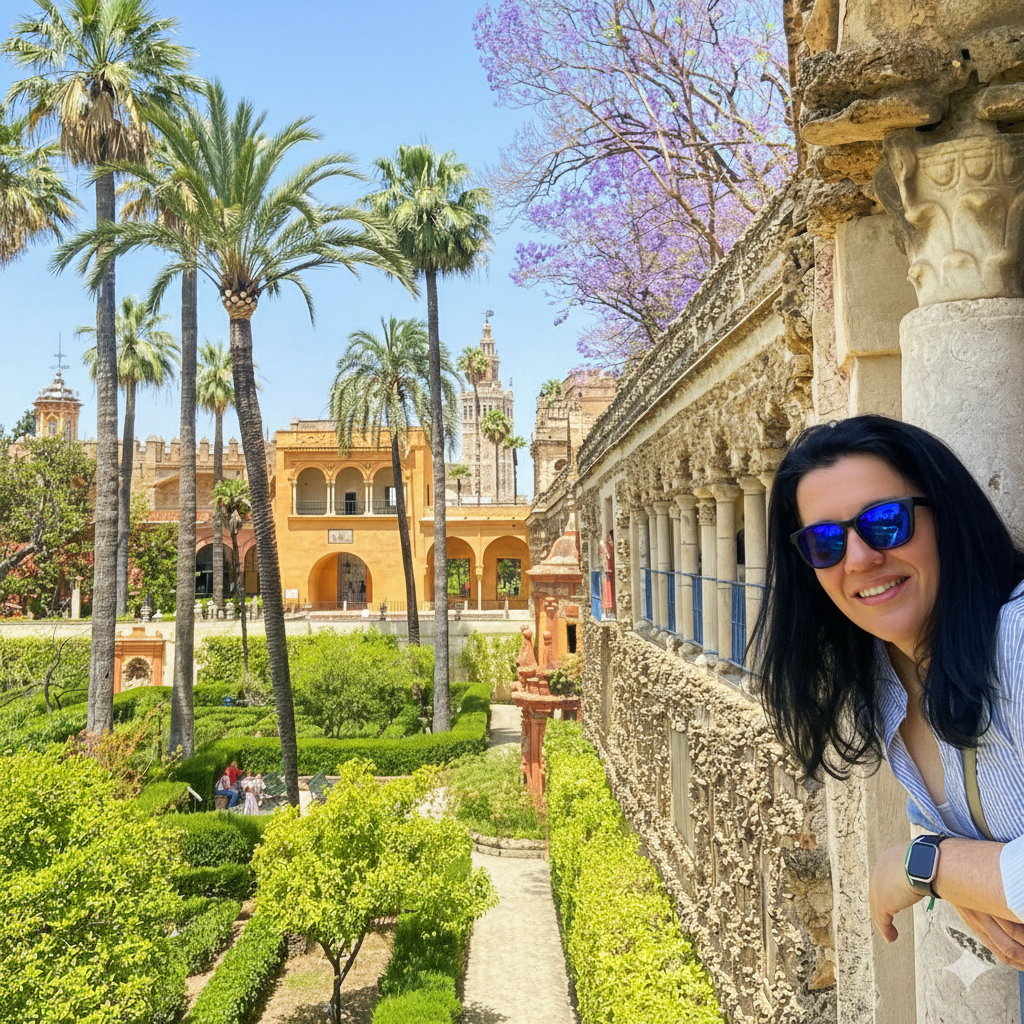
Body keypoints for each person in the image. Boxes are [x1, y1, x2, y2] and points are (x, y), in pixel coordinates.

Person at [753, 414, 1024, 975]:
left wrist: (921, 866)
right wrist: (969, 872)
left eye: (885, 522)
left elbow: (940, 859)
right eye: (825, 542)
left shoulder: (1016, 639)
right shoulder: (884, 676)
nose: (860, 559)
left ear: (944, 516)